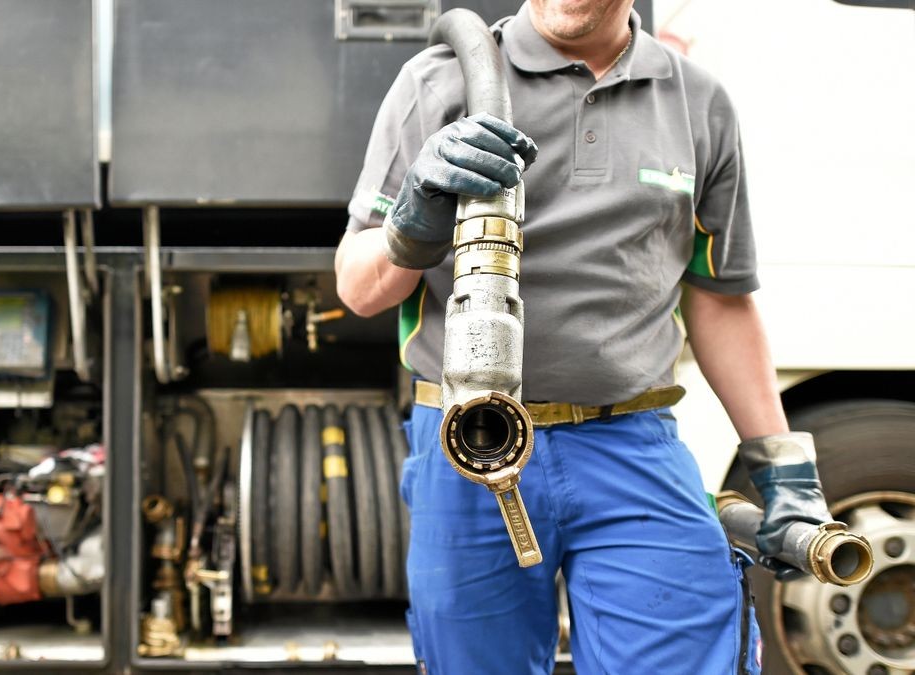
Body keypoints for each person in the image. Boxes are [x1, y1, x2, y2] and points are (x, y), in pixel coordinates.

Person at [334, 1, 835, 673]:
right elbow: (359, 288)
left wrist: (783, 462)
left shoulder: (697, 102)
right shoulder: (437, 83)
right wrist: (414, 215)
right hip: (469, 445)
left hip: (631, 444)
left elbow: (721, 299)